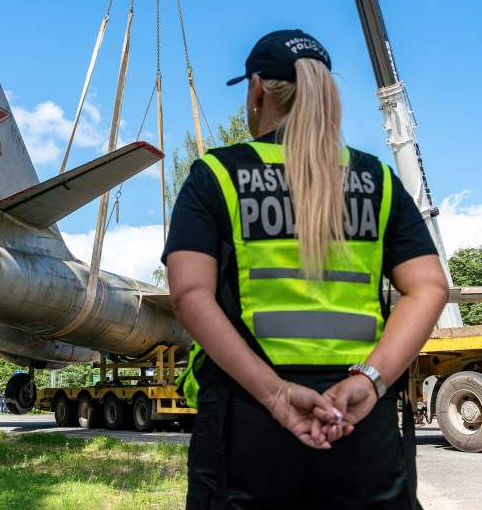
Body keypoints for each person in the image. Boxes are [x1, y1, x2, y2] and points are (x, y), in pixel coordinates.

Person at [164, 30, 449, 509]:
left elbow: (190, 294)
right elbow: (429, 288)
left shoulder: (217, 173)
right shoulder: (377, 178)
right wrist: (369, 382)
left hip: (248, 418)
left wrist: (276, 395)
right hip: (358, 420)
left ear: (257, 89)